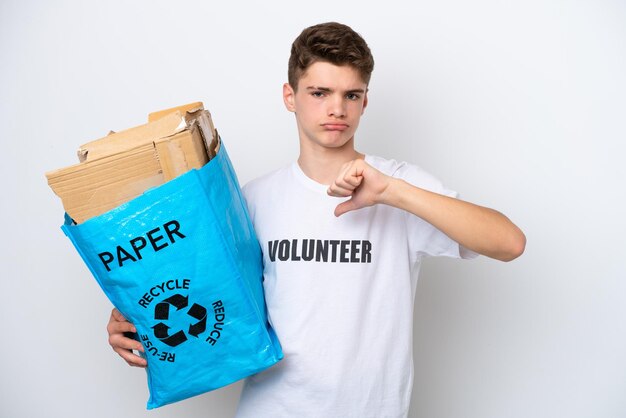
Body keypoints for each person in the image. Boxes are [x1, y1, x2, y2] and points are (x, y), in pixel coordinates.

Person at [107, 22, 526, 418]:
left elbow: (509, 243)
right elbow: (202, 293)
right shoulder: (252, 199)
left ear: (365, 100)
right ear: (290, 96)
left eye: (352, 95)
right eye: (320, 92)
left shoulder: (399, 184)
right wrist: (134, 318)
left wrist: (391, 193)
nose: (336, 109)